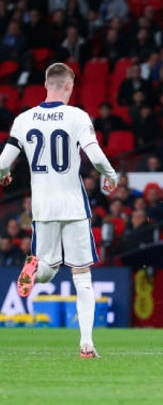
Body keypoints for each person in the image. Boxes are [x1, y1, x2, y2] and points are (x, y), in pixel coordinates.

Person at [0, 63, 118, 358]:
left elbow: (2, 162)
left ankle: (33, 269)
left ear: (45, 84)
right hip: (73, 206)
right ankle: (87, 344)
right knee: (82, 275)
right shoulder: (77, 116)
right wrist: (111, 175)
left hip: (42, 208)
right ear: (69, 86)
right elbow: (95, 155)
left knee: (47, 271)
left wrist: (4, 175)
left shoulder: (23, 119)